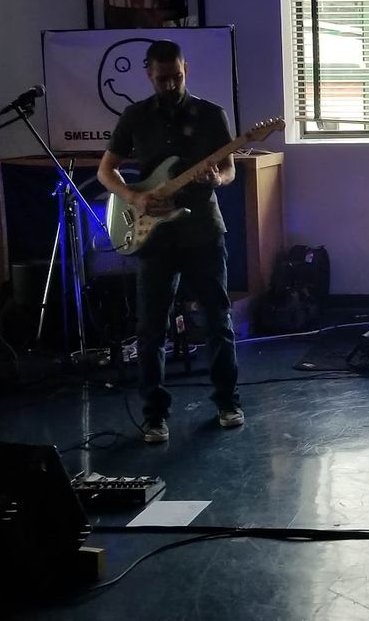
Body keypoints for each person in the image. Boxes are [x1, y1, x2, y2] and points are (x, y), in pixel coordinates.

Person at [98, 39, 242, 444]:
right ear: (149, 73)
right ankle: (154, 416)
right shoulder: (135, 116)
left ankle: (228, 402)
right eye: (162, 78)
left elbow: (229, 169)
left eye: (176, 76)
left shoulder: (211, 114)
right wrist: (135, 197)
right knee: (150, 330)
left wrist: (218, 179)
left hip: (203, 231)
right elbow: (107, 171)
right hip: (154, 237)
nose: (170, 84)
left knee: (218, 320)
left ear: (185, 69)